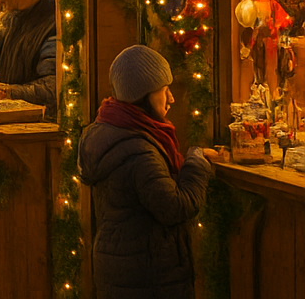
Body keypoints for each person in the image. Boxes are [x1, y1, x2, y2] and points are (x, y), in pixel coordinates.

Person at [79, 45, 215, 299]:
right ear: (142, 96)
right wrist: (196, 161)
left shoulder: (108, 129)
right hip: (148, 276)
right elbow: (175, 207)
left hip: (120, 270)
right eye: (163, 90)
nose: (171, 98)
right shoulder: (139, 151)